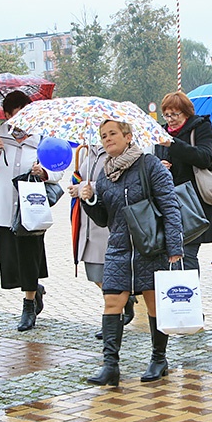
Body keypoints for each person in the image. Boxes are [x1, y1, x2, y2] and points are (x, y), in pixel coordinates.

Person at [80, 120, 183, 386]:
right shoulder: (103, 174)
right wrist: (89, 199)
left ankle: (159, 358)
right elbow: (104, 219)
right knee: (112, 302)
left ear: (128, 136)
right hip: (119, 247)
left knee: (154, 303)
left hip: (151, 247)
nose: (107, 139)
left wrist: (174, 248)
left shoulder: (149, 165)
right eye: (103, 136)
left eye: (112, 134)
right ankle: (110, 366)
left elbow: (170, 206)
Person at [0, 91, 62, 332]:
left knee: (29, 256)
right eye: (17, 115)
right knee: (12, 263)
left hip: (32, 208)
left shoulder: (41, 138)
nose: (23, 121)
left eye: (26, 114)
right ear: (6, 115)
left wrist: (43, 172)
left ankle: (28, 306)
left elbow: (57, 170)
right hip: (4, 209)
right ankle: (35, 290)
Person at [67, 144, 134, 339]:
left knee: (109, 274)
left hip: (108, 221)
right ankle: (124, 300)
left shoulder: (118, 151)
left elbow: (118, 182)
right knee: (95, 273)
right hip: (87, 221)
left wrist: (85, 188)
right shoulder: (88, 150)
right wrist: (76, 187)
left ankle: (114, 318)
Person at [154, 91, 212, 271]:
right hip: (168, 204)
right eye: (167, 114)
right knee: (170, 255)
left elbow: (205, 158)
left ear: (186, 113)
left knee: (187, 254)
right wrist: (160, 166)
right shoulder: (161, 133)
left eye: (175, 114)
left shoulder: (200, 127)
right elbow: (154, 162)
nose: (170, 119)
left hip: (193, 203)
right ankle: (173, 295)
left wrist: (173, 145)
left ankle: (189, 296)